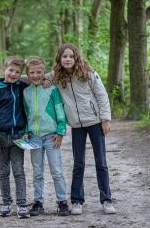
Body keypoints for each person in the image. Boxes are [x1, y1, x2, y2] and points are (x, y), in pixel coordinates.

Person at [47, 43, 116, 215]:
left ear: (76, 57)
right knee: (78, 163)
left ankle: (106, 199)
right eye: (64, 56)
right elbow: (38, 77)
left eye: (71, 56)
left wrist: (105, 119)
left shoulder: (88, 73)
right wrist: (16, 77)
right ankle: (77, 201)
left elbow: (102, 95)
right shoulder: (56, 76)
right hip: (76, 126)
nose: (68, 59)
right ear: (59, 59)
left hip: (94, 122)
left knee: (101, 162)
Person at [22, 56, 70, 217]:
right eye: (32, 72)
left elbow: (60, 111)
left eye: (39, 72)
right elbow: (25, 114)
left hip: (51, 137)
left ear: (44, 73)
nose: (35, 75)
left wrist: (61, 131)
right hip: (34, 137)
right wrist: (25, 131)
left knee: (56, 170)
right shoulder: (25, 92)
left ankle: (62, 202)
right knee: (37, 172)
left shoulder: (52, 89)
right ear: (27, 74)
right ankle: (38, 203)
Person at [0, 56, 30, 219]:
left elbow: (35, 77)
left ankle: (22, 204)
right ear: (4, 69)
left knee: (19, 170)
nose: (13, 74)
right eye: (11, 70)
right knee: (3, 172)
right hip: (1, 138)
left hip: (18, 137)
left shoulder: (21, 87)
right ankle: (6, 202)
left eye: (17, 72)